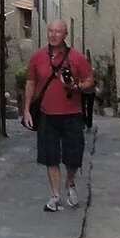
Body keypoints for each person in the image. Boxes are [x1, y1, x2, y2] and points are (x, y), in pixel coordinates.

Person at [22, 20, 94, 211]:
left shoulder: (77, 58)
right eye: (51, 31)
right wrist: (27, 109)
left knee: (73, 155)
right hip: (46, 114)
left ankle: (70, 184)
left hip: (72, 114)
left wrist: (76, 86)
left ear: (65, 34)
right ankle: (55, 195)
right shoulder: (37, 57)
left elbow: (90, 81)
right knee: (50, 156)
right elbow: (30, 83)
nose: (54, 35)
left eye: (58, 32)